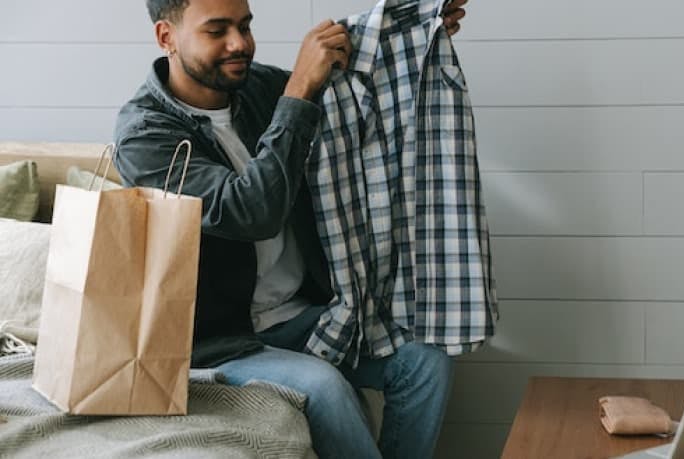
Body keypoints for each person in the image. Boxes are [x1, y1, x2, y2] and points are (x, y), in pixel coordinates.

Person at [113, 1, 469, 458]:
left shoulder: (259, 89)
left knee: (426, 359)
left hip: (303, 314)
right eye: (217, 31)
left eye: (244, 26)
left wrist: (416, 31)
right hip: (219, 341)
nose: (239, 43)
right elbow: (250, 211)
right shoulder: (146, 135)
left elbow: (353, 83)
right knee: (325, 386)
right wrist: (299, 87)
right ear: (167, 38)